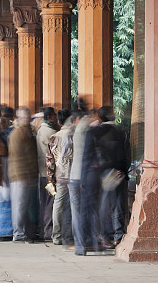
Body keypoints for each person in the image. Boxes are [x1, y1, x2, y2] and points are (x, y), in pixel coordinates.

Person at [86, 106, 129, 248]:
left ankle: (103, 236)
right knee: (118, 206)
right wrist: (123, 170)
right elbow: (127, 154)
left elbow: (91, 154)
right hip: (119, 173)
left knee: (102, 206)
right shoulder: (121, 131)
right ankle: (119, 236)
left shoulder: (94, 132)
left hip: (102, 173)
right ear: (111, 115)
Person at [8, 107, 38, 243]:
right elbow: (17, 157)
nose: (27, 119)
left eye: (28, 116)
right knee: (19, 206)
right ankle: (18, 234)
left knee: (25, 206)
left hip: (29, 174)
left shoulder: (29, 132)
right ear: (19, 118)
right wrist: (25, 173)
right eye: (24, 117)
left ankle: (26, 232)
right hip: (20, 174)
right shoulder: (17, 134)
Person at [69, 100, 94, 255]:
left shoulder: (79, 129)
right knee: (82, 213)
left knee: (78, 213)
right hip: (81, 177)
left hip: (75, 176)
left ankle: (81, 244)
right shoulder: (86, 128)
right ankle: (82, 244)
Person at [47, 109, 75, 249]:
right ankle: (73, 235)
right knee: (75, 206)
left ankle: (57, 236)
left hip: (60, 177)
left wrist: (50, 179)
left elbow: (50, 161)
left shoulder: (53, 137)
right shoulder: (75, 136)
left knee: (58, 206)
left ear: (58, 121)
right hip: (75, 177)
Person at [36, 106, 58, 241]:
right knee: (50, 201)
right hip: (48, 175)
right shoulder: (50, 132)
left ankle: (44, 229)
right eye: (54, 116)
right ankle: (48, 230)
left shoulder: (40, 130)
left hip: (42, 173)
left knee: (44, 201)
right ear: (50, 117)